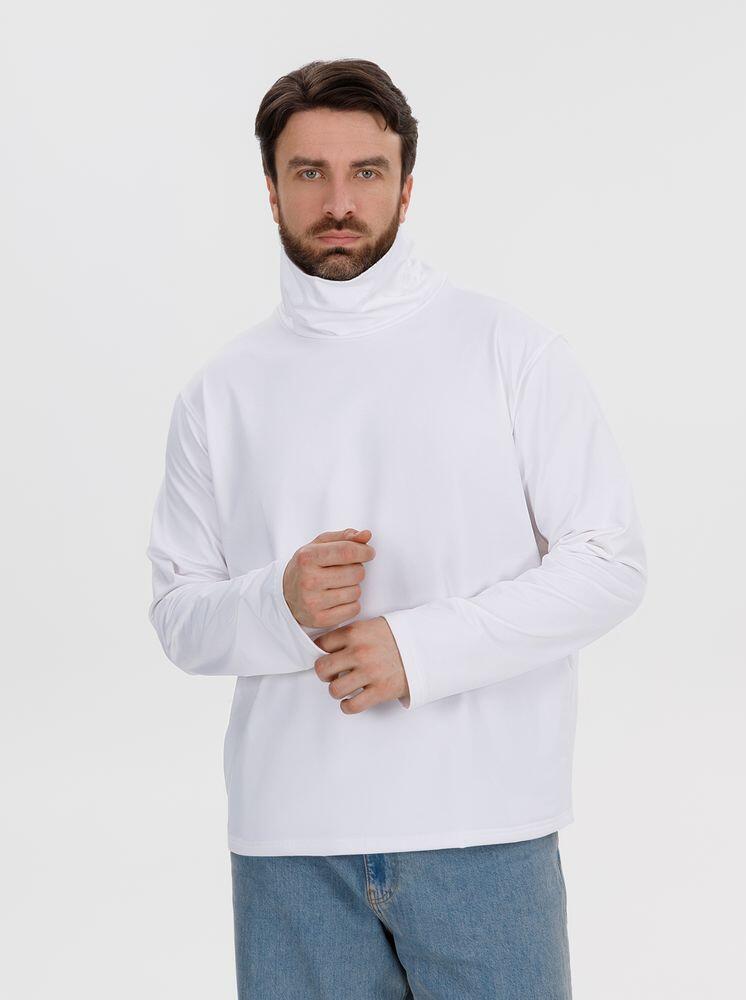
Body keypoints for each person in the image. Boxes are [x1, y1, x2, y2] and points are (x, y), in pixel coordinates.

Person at [145, 57, 647, 1000]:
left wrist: (418, 650)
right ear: (271, 189)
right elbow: (178, 617)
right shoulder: (219, 392)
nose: (339, 201)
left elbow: (609, 561)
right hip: (290, 847)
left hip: (483, 831)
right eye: (309, 172)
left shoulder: (510, 351)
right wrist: (280, 602)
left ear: (406, 186)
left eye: (366, 172)